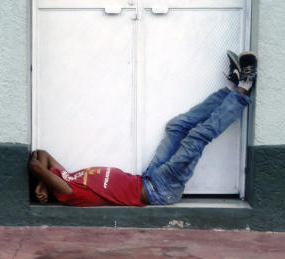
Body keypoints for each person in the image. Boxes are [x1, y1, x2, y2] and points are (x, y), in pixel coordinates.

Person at [29, 51, 257, 207]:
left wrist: (41, 183)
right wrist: (42, 181)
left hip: (149, 176)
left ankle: (229, 90)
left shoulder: (66, 176)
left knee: (176, 126)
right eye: (48, 179)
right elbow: (35, 165)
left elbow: (41, 154)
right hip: (160, 190)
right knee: (196, 137)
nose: (51, 173)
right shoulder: (69, 193)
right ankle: (243, 88)